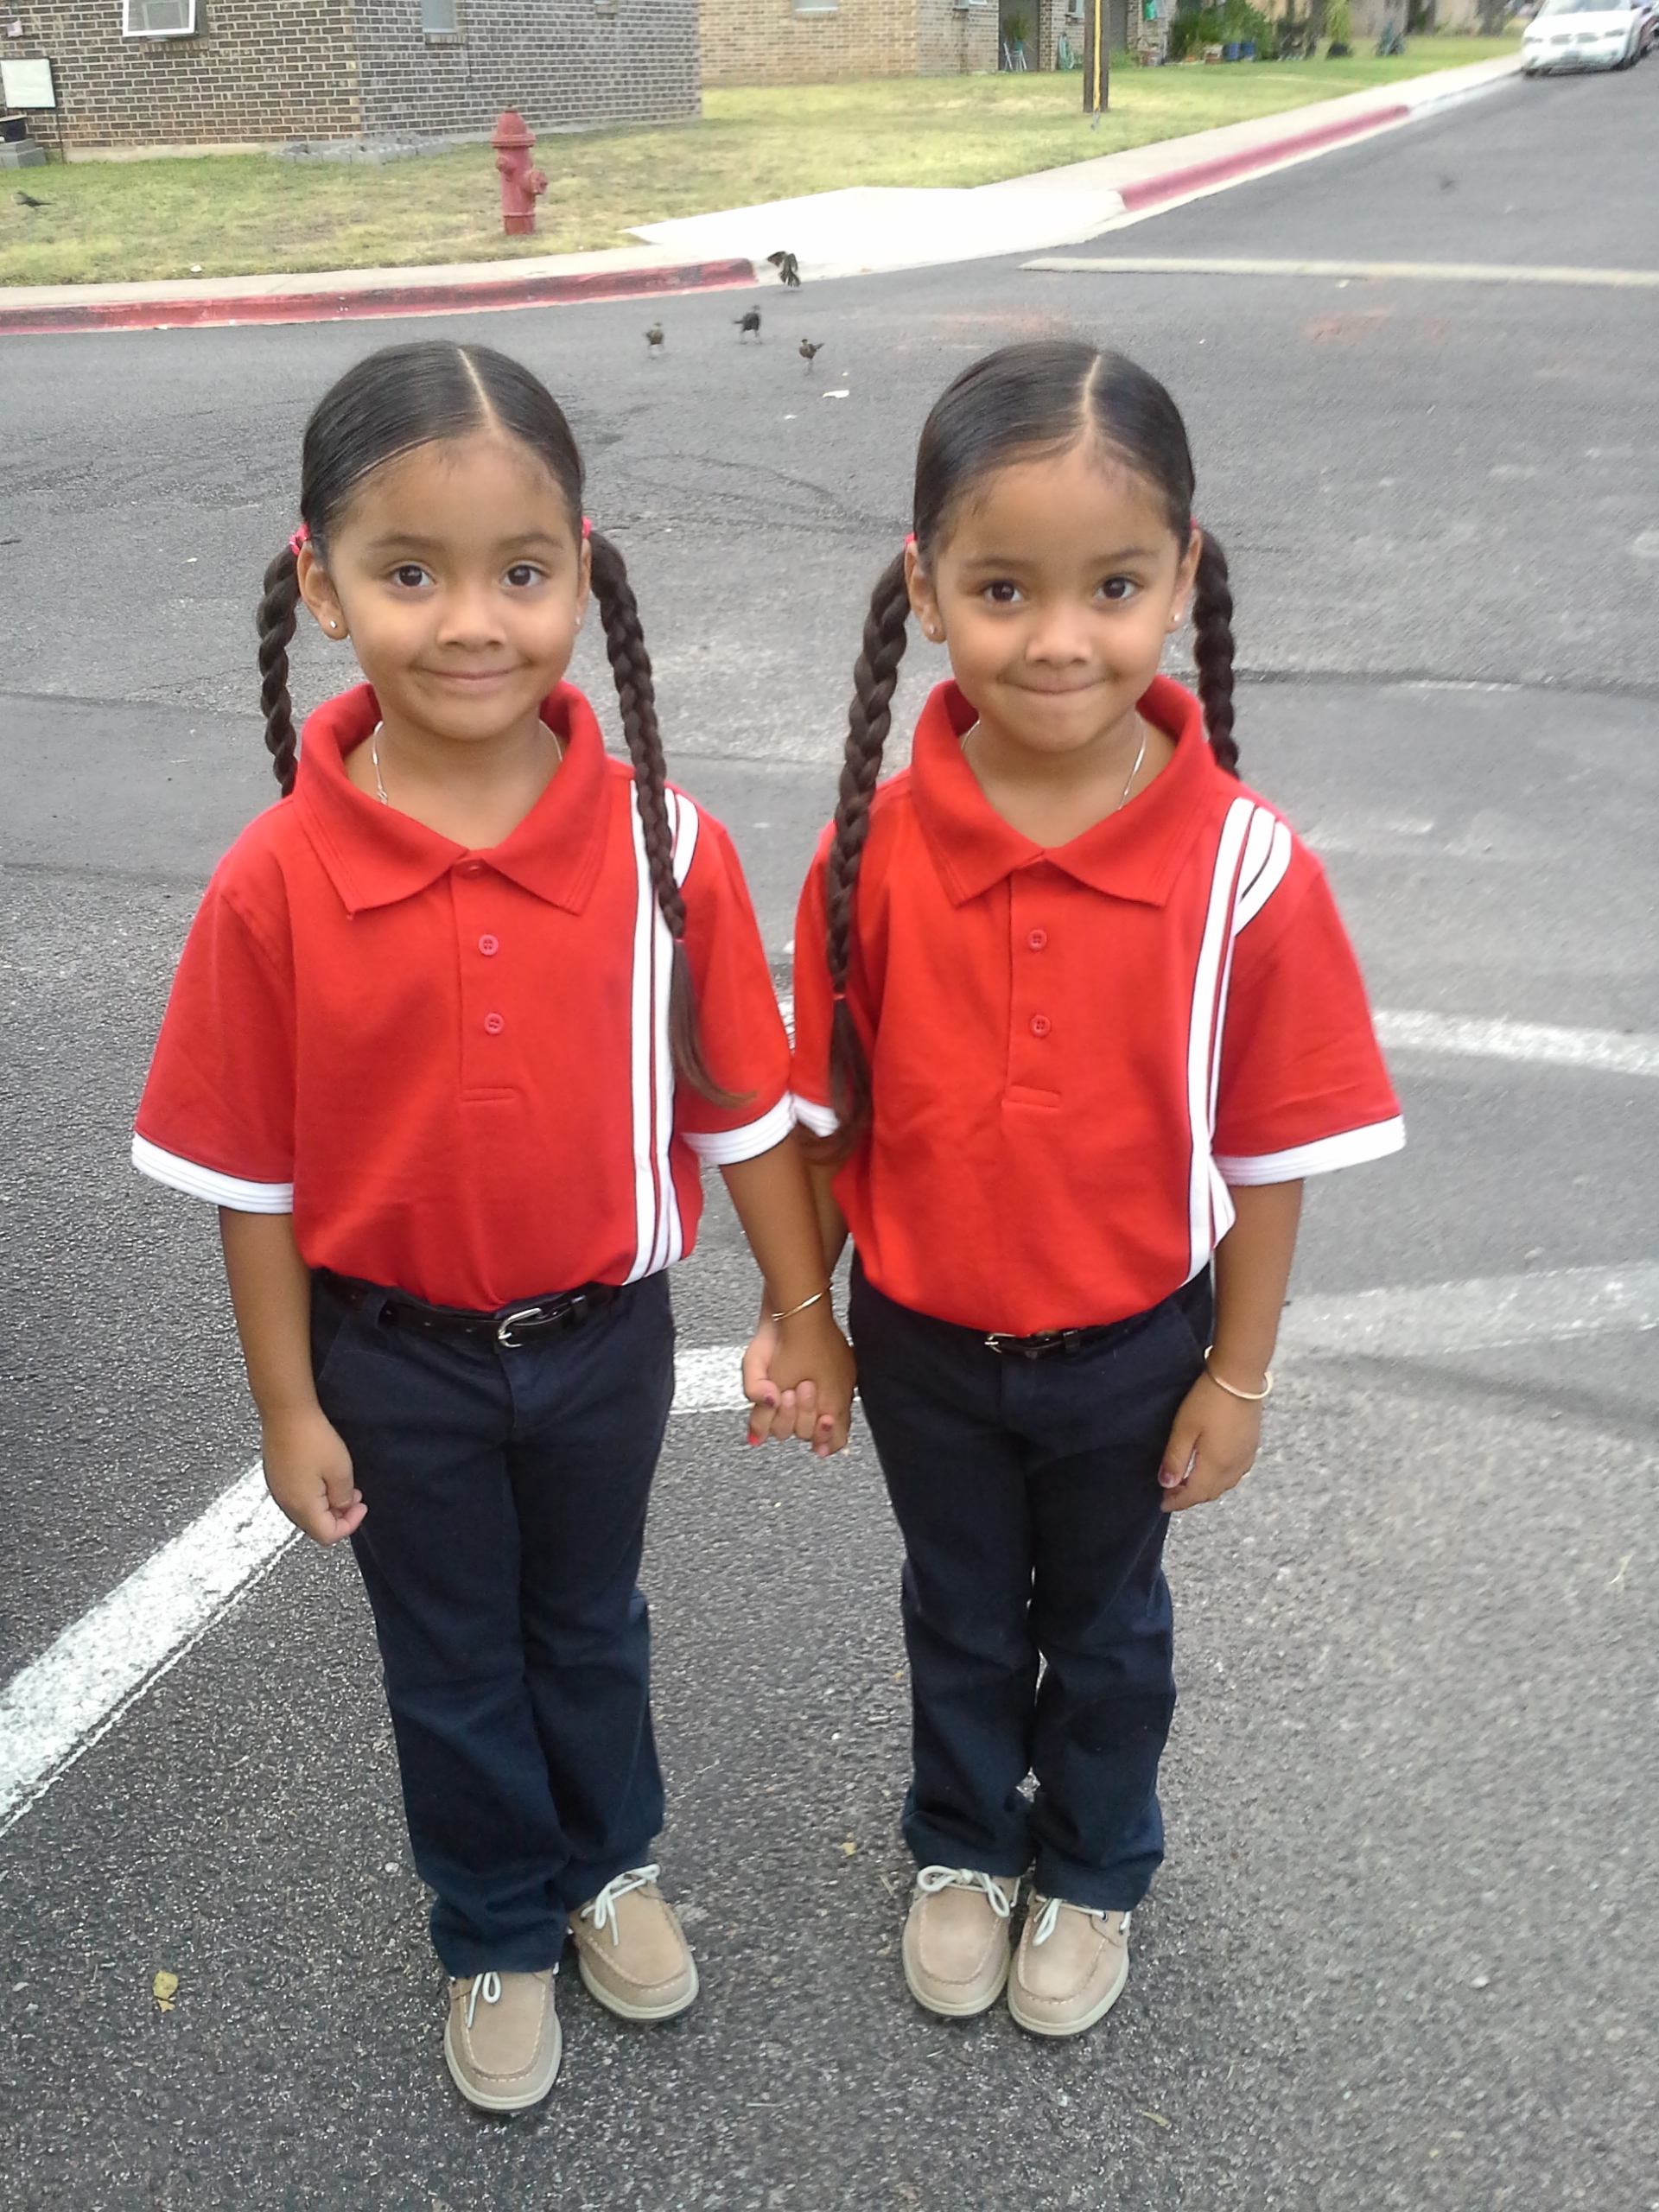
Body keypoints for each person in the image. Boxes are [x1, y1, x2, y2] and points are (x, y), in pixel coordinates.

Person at [132, 340, 854, 2113]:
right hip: (395, 1364)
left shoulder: (663, 841)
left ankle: (611, 1866)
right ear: (318, 583)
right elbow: (256, 1182)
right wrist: (290, 1403)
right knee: (450, 1660)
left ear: (582, 572)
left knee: (592, 1625)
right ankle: (493, 1923)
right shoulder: (273, 883)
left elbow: (743, 1105)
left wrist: (804, 1301)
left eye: (522, 572)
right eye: (409, 571)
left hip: (604, 1342)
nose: (473, 621)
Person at [755, 341, 1402, 2037]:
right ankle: (965, 1845)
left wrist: (1236, 1372)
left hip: (1133, 1351)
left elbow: (1270, 1158)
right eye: (1003, 586)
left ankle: (1097, 1859)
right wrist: (807, 1317)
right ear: (928, 587)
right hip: (922, 1346)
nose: (1060, 635)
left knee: (1108, 1632)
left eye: (1114, 585)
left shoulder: (1248, 865)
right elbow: (822, 1125)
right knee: (960, 1611)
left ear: (1183, 575)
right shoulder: (872, 850)